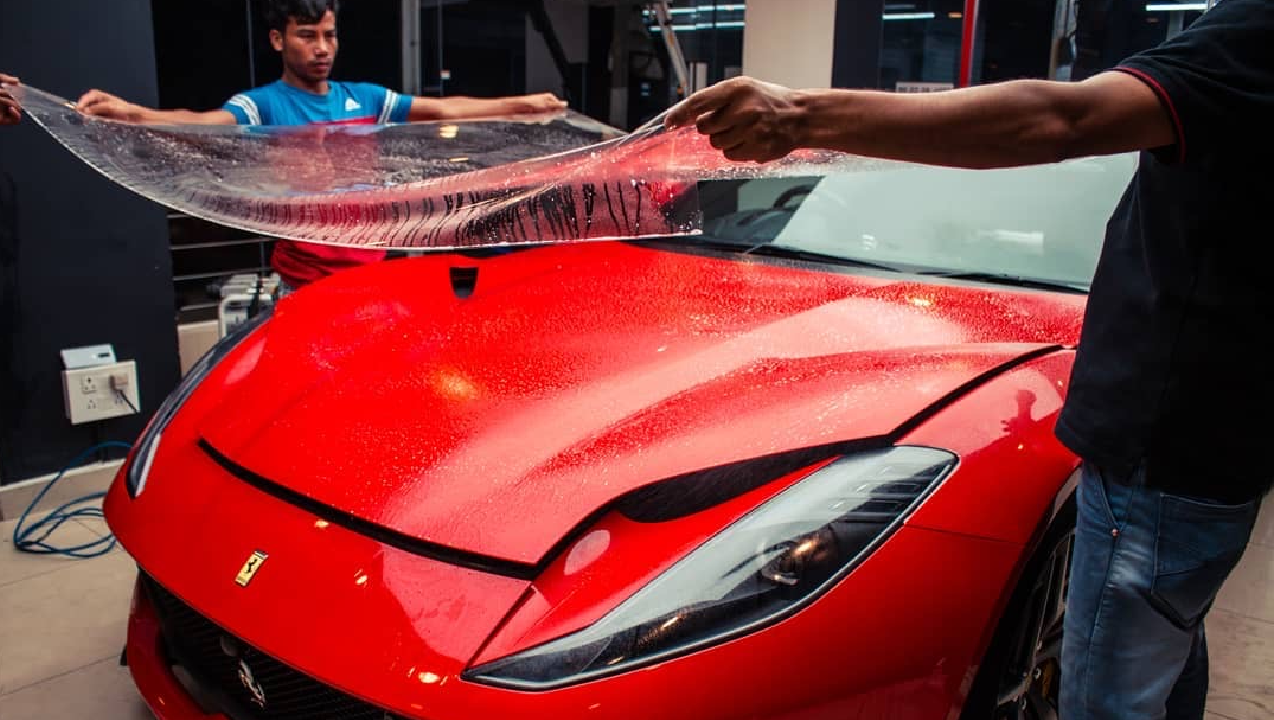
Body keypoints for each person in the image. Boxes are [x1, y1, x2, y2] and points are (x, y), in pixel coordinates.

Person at [666, 2, 1268, 719]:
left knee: (1110, 698)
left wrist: (799, 114)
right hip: (1216, 436)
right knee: (1166, 642)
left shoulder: (1255, 31)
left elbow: (1062, 121)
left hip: (1164, 451)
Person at [74, 0, 566, 295]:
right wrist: (133, 114)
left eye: (329, 35)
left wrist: (522, 104)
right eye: (307, 36)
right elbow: (204, 126)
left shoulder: (366, 97)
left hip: (372, 274)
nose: (322, 48)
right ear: (277, 40)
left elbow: (443, 111)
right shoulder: (263, 105)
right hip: (304, 282)